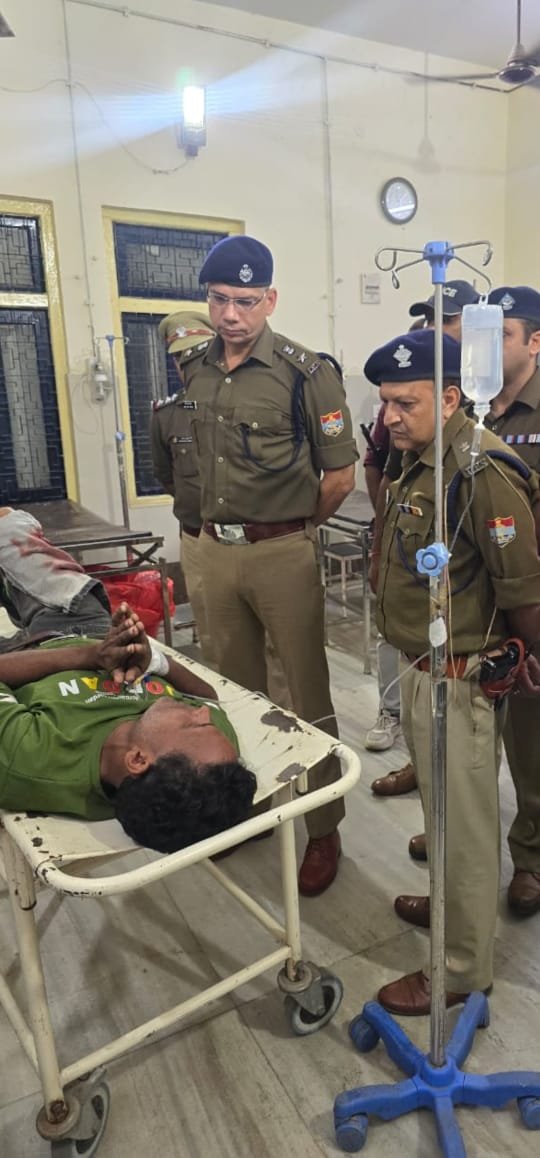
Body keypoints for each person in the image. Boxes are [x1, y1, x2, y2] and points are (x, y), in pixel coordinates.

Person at [363, 328, 540, 1015]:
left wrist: (531, 658)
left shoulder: (480, 469)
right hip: (421, 666)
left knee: (464, 829)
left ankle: (463, 970)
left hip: (462, 677)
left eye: (404, 403)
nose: (389, 416)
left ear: (449, 397)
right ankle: (450, 908)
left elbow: (523, 589)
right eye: (385, 402)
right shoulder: (418, 460)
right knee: (441, 811)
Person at [177, 235, 359, 896]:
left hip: (281, 552)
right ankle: (251, 806)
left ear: (270, 300)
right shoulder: (195, 369)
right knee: (232, 691)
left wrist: (298, 528)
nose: (231, 314)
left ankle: (323, 825)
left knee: (304, 693)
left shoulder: (306, 373)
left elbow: (340, 476)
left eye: (246, 301)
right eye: (220, 299)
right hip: (211, 551)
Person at [0, 506, 256, 853]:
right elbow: (208, 697)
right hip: (86, 626)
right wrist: (155, 660)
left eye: (192, 725)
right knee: (8, 526)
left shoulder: (30, 760)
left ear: (137, 759)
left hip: (26, 656)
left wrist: (89, 656)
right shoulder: (215, 766)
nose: (201, 714)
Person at [368, 281, 480, 831]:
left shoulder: (474, 443)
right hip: (419, 618)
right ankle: (438, 829)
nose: (390, 415)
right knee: (437, 759)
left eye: (448, 321)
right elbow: (386, 477)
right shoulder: (411, 429)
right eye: (431, 320)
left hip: (468, 639)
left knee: (469, 768)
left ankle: (502, 852)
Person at [483, 285, 540, 916]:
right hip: (474, 600)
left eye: (501, 334)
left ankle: (531, 857)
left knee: (530, 741)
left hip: (531, 597)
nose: (487, 346)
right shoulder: (465, 404)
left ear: (534, 342)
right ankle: (464, 840)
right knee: (469, 733)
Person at [152, 310, 216, 661]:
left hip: (253, 538)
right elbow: (166, 475)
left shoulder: (248, 404)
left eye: (199, 354)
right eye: (181, 358)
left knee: (269, 639)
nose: (189, 364)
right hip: (198, 538)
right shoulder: (167, 416)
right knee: (212, 633)